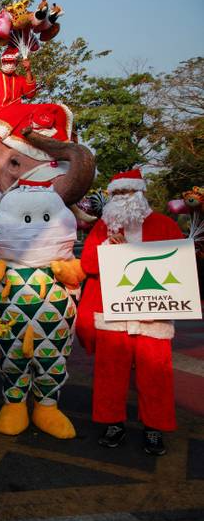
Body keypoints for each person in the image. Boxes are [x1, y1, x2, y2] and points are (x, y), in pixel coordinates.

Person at [77, 169, 185, 456]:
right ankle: (113, 423)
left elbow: (178, 268)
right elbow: (88, 264)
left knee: (156, 375)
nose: (123, 199)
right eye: (117, 194)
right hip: (113, 316)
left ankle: (154, 428)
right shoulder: (103, 228)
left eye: (128, 193)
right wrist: (109, 251)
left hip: (154, 318)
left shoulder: (164, 225)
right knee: (110, 374)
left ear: (141, 194)